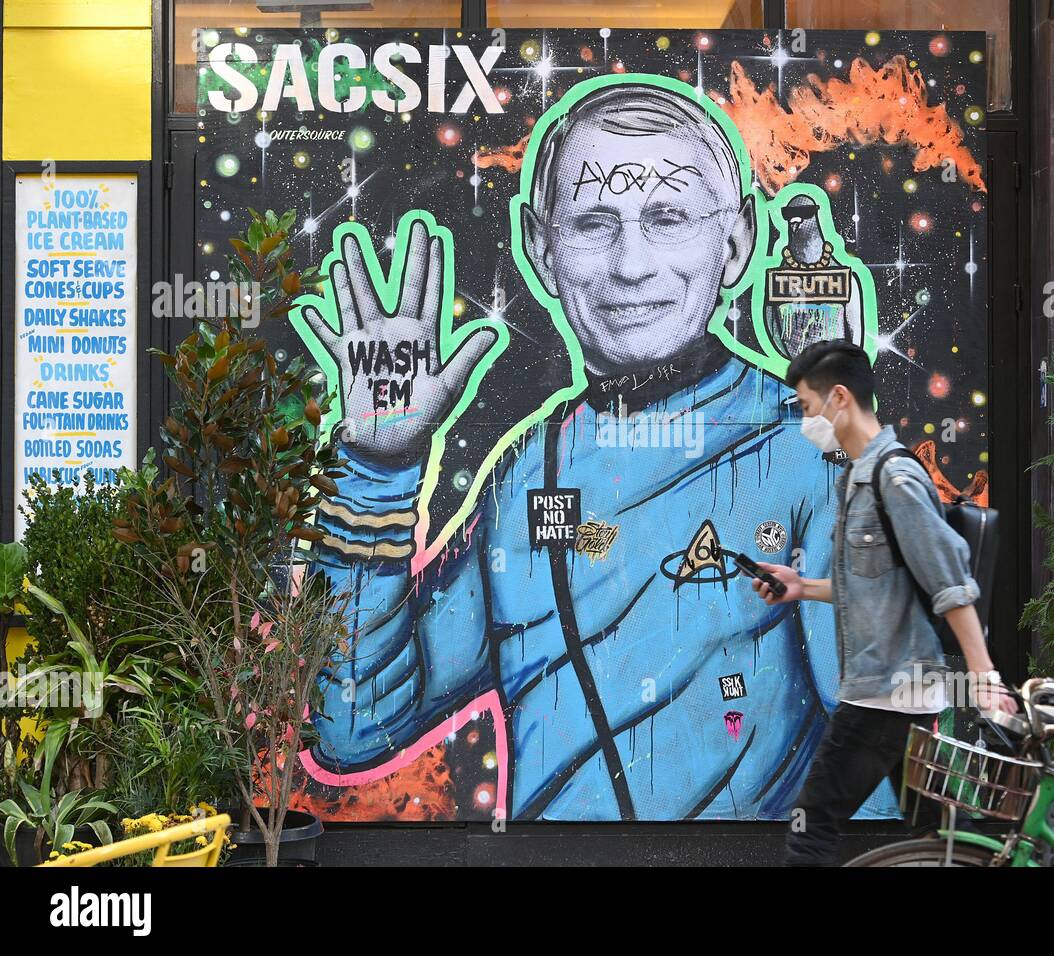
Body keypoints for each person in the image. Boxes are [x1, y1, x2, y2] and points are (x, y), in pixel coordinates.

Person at [297, 80, 893, 821]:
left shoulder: (804, 447)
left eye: (669, 217)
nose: (631, 265)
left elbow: (872, 734)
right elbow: (356, 729)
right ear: (541, 250)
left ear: (735, 244)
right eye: (593, 223)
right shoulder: (525, 475)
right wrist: (376, 469)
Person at [748, 339, 1017, 866]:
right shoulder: (860, 478)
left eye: (807, 407)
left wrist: (983, 675)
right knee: (937, 836)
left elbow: (950, 583)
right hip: (896, 692)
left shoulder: (894, 477)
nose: (806, 422)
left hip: (887, 693)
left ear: (839, 399)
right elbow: (871, 587)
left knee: (811, 828)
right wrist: (801, 587)